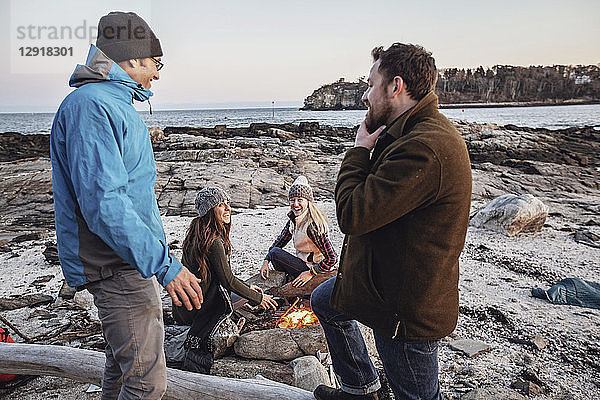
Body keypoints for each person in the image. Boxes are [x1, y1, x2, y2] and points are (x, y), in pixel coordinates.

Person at [50, 12, 203, 399]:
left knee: (122, 368)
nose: (157, 73)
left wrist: (156, 256)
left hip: (127, 259)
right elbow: (105, 204)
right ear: (133, 58)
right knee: (147, 382)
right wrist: (165, 265)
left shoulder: (111, 104)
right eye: (156, 62)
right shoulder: (93, 106)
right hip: (115, 263)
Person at [311, 43, 472, 400]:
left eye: (371, 84)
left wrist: (358, 150)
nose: (366, 95)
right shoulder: (405, 133)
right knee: (325, 300)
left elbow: (352, 213)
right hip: (379, 281)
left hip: (404, 306)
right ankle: (360, 387)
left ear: (395, 86)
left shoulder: (424, 147)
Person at [174, 187, 278, 373]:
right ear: (209, 211)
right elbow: (227, 281)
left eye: (228, 203)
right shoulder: (214, 242)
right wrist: (258, 298)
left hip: (183, 308)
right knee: (250, 296)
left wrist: (248, 287)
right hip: (198, 310)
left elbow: (223, 276)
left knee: (248, 292)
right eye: (220, 205)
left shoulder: (194, 235)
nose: (227, 208)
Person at [260, 176, 337, 288]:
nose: (295, 204)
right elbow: (279, 242)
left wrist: (311, 273)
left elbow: (332, 258)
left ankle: (296, 282)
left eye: (300, 200)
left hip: (315, 270)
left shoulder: (312, 225)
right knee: (274, 252)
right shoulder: (294, 220)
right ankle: (291, 280)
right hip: (302, 264)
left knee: (275, 253)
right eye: (292, 200)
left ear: (308, 201)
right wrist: (266, 261)